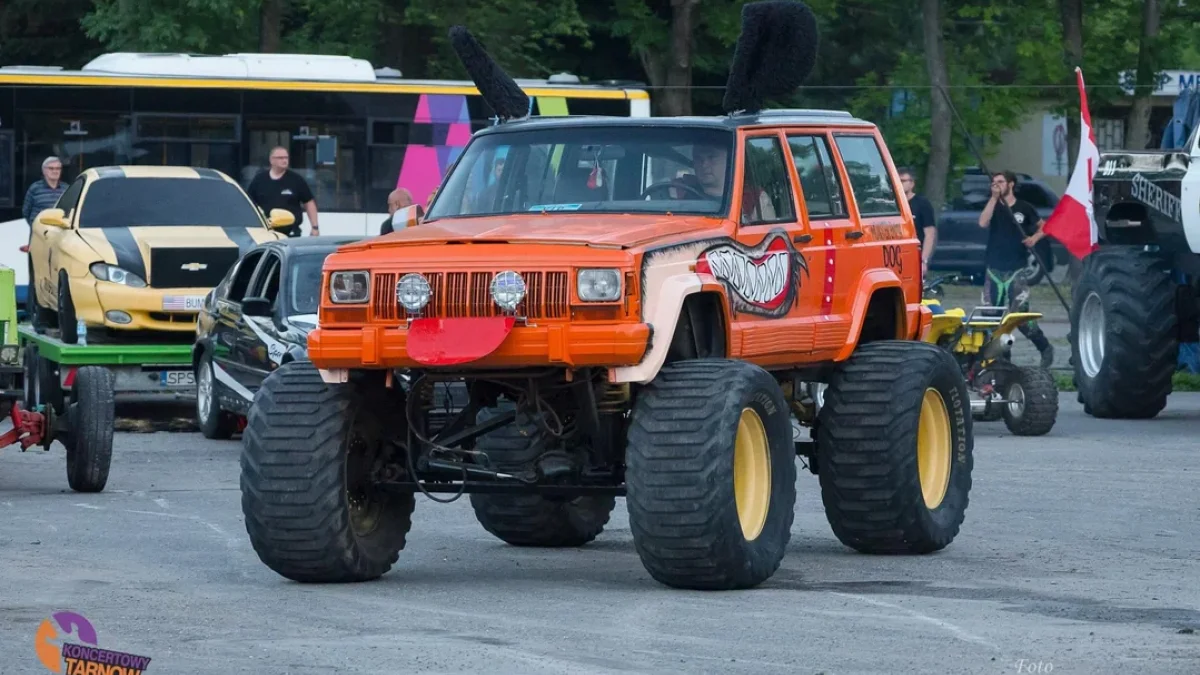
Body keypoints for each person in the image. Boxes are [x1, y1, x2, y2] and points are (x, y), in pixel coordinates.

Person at [978, 170, 1054, 368]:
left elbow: (1044, 226)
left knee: (1020, 319)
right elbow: (982, 223)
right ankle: (1003, 359)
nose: (996, 185)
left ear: (1011, 184)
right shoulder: (993, 206)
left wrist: (1034, 239)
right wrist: (994, 199)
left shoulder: (1024, 207)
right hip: (994, 269)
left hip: (1016, 270)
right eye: (993, 182)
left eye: (1000, 182)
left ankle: (1045, 348)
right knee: (991, 320)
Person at [246, 146, 319, 237]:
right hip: (265, 232)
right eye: (280, 158)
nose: (285, 160)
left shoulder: (296, 180)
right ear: (271, 160)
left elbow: (309, 203)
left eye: (286, 157)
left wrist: (315, 227)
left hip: (291, 233)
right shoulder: (259, 180)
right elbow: (249, 204)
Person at [898, 167, 936, 274]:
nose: (899, 184)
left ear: (912, 183)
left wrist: (923, 261)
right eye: (897, 180)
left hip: (915, 255)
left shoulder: (922, 204)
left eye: (903, 181)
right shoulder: (891, 204)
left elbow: (930, 234)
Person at [23, 156, 68, 226]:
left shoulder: (66, 188)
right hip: (39, 233)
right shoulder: (35, 188)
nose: (55, 171)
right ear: (44, 171)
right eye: (51, 168)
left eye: (58, 168)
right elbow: (26, 212)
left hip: (60, 233)